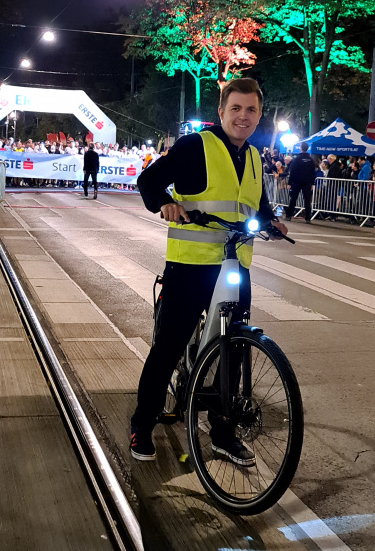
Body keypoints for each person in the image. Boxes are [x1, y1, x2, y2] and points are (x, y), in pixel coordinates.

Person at [130, 78, 288, 465]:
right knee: (168, 347)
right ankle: (141, 426)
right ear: (221, 112)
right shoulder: (194, 145)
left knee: (235, 350)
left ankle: (222, 432)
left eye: (251, 110)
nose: (243, 116)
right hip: (191, 266)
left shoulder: (253, 157)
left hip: (235, 265)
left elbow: (257, 204)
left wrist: (274, 221)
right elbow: (149, 180)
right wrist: (164, 203)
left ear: (259, 115)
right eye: (235, 108)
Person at [285, 142, 316, 223]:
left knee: (293, 199)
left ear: (301, 148)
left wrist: (289, 183)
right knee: (307, 200)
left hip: (297, 182)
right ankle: (308, 217)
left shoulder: (297, 159)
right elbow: (313, 172)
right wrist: (312, 183)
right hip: (307, 182)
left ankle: (289, 215)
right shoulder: (310, 160)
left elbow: (293, 172)